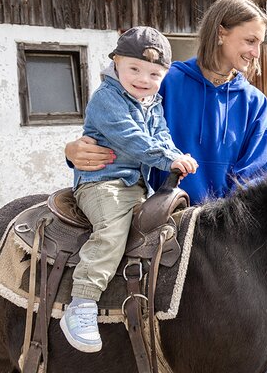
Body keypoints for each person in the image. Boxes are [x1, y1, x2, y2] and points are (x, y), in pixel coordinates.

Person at [64, 0, 267, 371]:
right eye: (249, 40)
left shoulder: (255, 102)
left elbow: (255, 178)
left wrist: (220, 226)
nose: (256, 51)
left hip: (226, 234)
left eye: (259, 42)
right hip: (165, 220)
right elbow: (118, 125)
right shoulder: (168, 79)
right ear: (220, 33)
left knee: (262, 333)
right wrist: (72, 151)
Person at [60, 26, 199, 353]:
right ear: (116, 63)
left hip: (133, 185)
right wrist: (169, 160)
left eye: (154, 73)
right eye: (134, 68)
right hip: (101, 182)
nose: (143, 78)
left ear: (164, 75)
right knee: (111, 231)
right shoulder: (107, 99)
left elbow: (161, 135)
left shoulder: (152, 102)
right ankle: (81, 302)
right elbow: (133, 141)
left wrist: (176, 154)